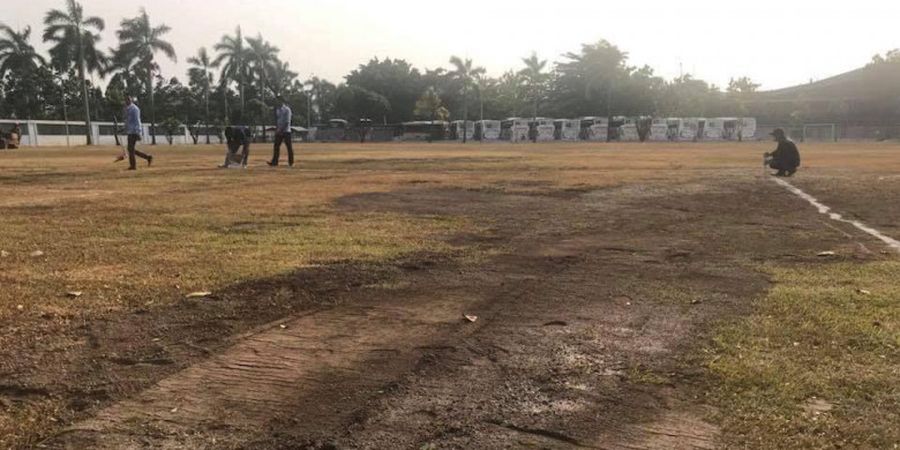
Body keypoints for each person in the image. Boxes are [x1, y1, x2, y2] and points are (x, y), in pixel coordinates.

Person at [123, 96, 153, 170]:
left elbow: (137, 121)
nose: (125, 102)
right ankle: (147, 157)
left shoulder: (134, 109)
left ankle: (133, 166)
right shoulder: (128, 109)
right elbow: (128, 121)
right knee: (131, 149)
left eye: (126, 100)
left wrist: (138, 132)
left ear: (129, 101)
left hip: (134, 131)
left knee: (130, 148)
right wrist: (124, 128)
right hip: (130, 131)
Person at [268, 96, 294, 167]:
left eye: (278, 101)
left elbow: (287, 122)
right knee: (276, 146)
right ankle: (274, 162)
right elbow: (277, 120)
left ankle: (291, 162)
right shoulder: (277, 110)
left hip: (286, 131)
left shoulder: (287, 110)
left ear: (282, 101)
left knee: (289, 147)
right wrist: (277, 129)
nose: (277, 102)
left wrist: (281, 130)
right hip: (279, 130)